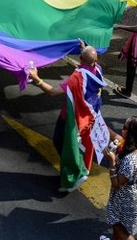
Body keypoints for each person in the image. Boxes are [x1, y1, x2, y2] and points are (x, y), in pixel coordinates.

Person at [27, 41, 105, 192]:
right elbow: (90, 58)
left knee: (61, 143)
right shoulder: (98, 71)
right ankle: (82, 167)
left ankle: (76, 172)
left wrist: (37, 79)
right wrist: (85, 50)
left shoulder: (76, 79)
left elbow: (53, 92)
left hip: (71, 119)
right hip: (88, 118)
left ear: (81, 59)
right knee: (82, 144)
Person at [101, 116, 137, 240]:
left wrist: (112, 163)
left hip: (128, 197)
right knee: (119, 223)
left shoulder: (131, 160)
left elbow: (117, 185)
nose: (122, 129)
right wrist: (99, 123)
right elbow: (115, 136)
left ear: (131, 133)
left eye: (124, 128)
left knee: (118, 225)